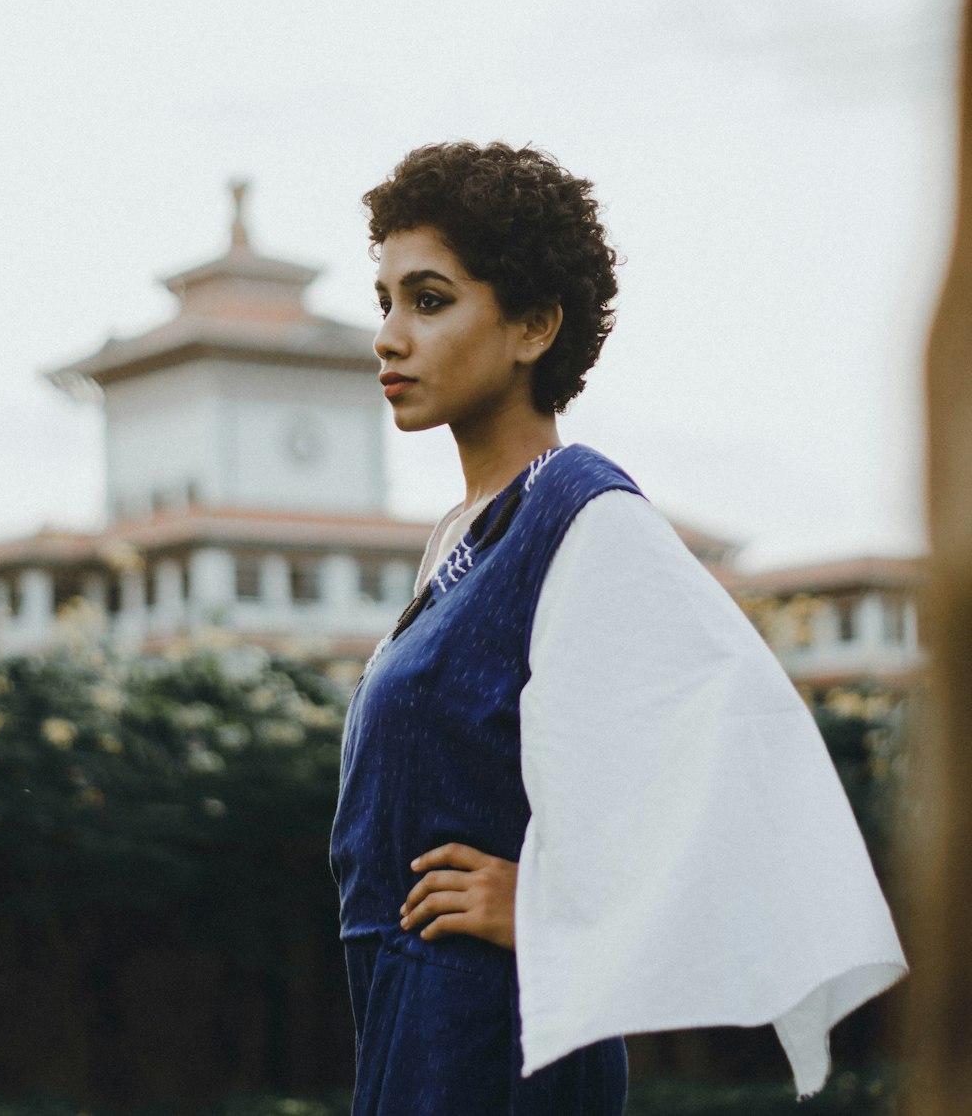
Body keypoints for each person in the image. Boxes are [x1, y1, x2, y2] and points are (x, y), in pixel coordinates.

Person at [329, 141, 906, 1116]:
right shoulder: (457, 540)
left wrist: (550, 905)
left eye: (428, 300)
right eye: (382, 299)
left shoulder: (586, 514)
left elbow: (740, 753)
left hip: (500, 1046)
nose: (389, 335)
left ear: (533, 324)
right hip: (412, 1030)